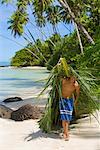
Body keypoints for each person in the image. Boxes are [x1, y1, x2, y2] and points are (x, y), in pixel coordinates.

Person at [59, 76, 80, 141]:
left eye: (75, 77)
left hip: (69, 101)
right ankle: (66, 133)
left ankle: (66, 133)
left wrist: (75, 102)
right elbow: (59, 77)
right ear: (70, 77)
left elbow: (77, 94)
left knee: (67, 118)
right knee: (63, 117)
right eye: (73, 77)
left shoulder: (76, 85)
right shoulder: (64, 80)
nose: (74, 78)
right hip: (62, 101)